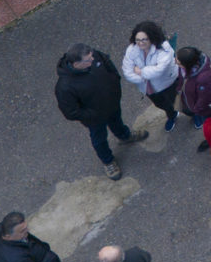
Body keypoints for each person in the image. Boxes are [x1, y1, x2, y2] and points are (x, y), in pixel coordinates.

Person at [55, 44, 147, 180]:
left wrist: (115, 87)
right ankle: (108, 161)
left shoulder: (95, 56)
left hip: (112, 104)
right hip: (95, 118)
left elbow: (110, 67)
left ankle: (125, 136)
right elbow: (70, 112)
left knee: (117, 122)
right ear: (76, 64)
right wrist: (92, 115)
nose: (93, 59)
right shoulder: (64, 87)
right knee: (99, 139)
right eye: (88, 59)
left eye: (92, 56)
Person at [120, 22, 181, 133]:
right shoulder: (132, 50)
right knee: (161, 104)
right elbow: (127, 71)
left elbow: (159, 70)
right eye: (138, 39)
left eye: (144, 39)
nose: (140, 43)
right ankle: (172, 115)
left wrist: (140, 72)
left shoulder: (164, 49)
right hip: (149, 87)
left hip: (167, 83)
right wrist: (143, 78)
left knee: (179, 101)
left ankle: (194, 113)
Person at [173, 45, 211, 152]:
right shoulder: (186, 69)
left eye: (178, 61)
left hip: (206, 108)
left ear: (187, 64)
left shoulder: (203, 79)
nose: (175, 61)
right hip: (195, 103)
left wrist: (196, 109)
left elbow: (204, 99)